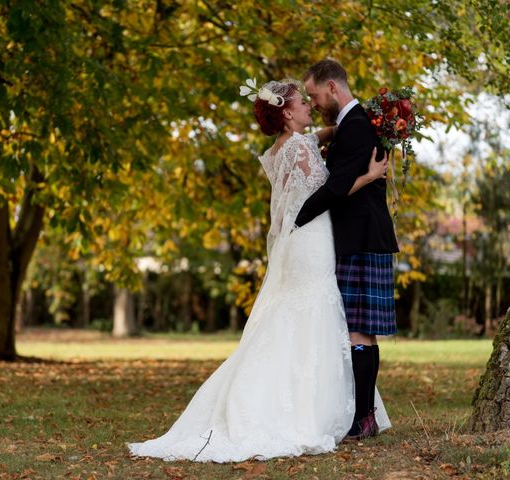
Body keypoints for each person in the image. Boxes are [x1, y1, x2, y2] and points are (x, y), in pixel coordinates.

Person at [127, 77, 389, 463]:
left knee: (293, 315)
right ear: (286, 112)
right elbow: (325, 192)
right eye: (302, 103)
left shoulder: (281, 147)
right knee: (314, 311)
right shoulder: (299, 146)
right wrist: (368, 176)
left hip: (295, 242)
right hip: (312, 238)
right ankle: (308, 407)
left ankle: (305, 400)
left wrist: (357, 121)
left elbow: (317, 135)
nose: (308, 107)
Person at [294, 59, 399, 440]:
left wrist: (298, 218)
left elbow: (337, 188)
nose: (314, 101)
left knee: (359, 332)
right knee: (361, 332)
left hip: (362, 236)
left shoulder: (356, 127)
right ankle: (364, 416)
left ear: (333, 88)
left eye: (315, 94)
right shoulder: (353, 124)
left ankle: (363, 417)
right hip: (363, 236)